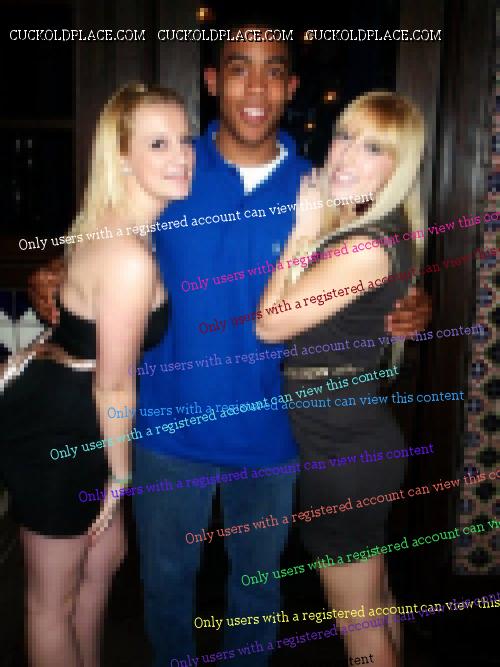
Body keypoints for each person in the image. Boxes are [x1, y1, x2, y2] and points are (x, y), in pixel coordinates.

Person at [29, 23, 430, 667]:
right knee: (166, 586)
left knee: (256, 593)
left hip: (274, 436)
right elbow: (107, 231)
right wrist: (55, 269)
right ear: (213, 82)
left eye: (274, 70)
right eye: (239, 68)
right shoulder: (174, 166)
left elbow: (373, 266)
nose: (256, 87)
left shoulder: (322, 188)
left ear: (291, 88)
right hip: (168, 431)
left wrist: (412, 305)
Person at [1, 82, 193, 667]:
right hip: (62, 425)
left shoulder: (114, 225)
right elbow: (113, 381)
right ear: (122, 157)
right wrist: (120, 474)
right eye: (158, 144)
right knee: (50, 602)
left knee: (102, 563)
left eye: (184, 140)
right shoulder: (130, 254)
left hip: (72, 403)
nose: (181, 156)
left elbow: (77, 322)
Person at [256, 90, 426, 666]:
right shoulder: (380, 231)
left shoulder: (363, 246)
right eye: (345, 137)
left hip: (342, 452)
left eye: (373, 148)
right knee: (375, 605)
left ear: (398, 168)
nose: (347, 156)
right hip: (354, 440)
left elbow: (270, 325)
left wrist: (301, 234)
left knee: (359, 625)